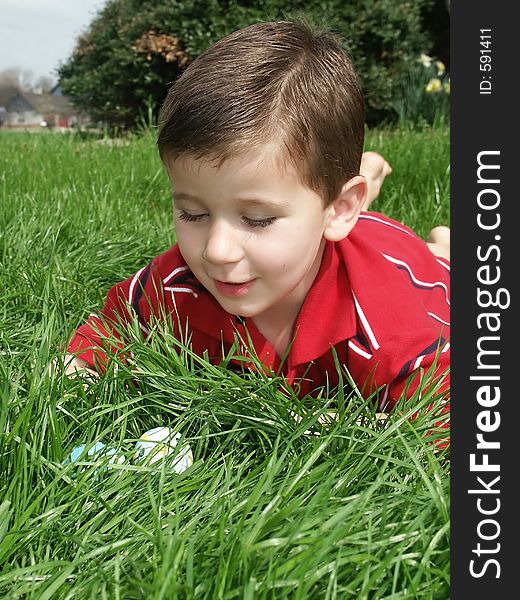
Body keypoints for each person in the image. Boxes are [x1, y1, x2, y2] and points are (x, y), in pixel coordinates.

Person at [64, 21, 450, 425]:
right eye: (193, 213)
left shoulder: (388, 325)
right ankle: (365, 176)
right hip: (334, 219)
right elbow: (105, 334)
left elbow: (445, 421)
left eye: (258, 218)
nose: (216, 250)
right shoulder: (177, 285)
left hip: (398, 255)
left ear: (338, 209)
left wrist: (334, 428)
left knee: (436, 252)